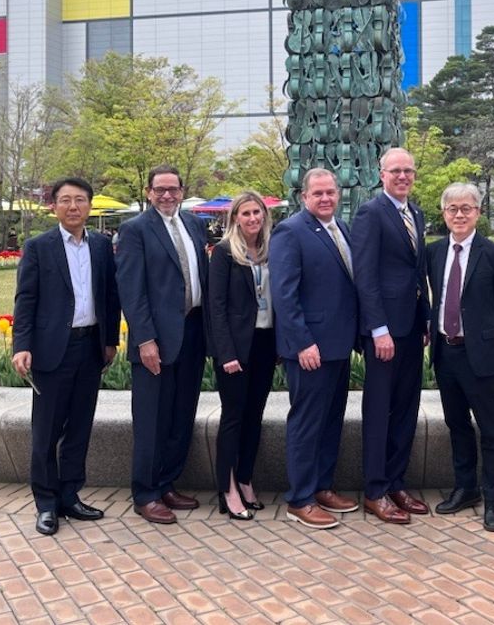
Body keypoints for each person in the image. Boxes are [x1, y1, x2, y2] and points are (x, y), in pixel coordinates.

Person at [11, 176, 120, 536]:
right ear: (54, 206)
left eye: (80, 200)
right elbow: (25, 300)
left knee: (79, 428)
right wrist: (21, 345)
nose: (73, 207)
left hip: (90, 348)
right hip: (51, 350)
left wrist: (110, 341)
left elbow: (109, 297)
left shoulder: (103, 246)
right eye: (66, 201)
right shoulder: (39, 247)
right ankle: (45, 503)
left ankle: (70, 495)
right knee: (46, 432)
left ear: (90, 206)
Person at [116, 165, 209, 525]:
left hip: (192, 335)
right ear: (149, 191)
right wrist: (145, 339)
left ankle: (168, 481)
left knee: (181, 416)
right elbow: (132, 290)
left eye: (173, 189)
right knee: (152, 420)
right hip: (154, 340)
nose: (167, 195)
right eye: (160, 190)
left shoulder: (194, 225)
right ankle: (146, 493)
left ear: (182, 191)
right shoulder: (135, 230)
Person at [269, 168, 359, 529]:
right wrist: (303, 342)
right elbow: (285, 295)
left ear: (338, 194)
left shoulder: (341, 229)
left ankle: (322, 486)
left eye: (330, 192)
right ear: (303, 197)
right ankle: (300, 498)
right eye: (317, 193)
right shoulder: (290, 231)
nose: (325, 198)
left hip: (337, 347)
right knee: (306, 424)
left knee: (330, 422)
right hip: (310, 349)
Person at [427, 183, 494, 531]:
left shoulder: (493, 254)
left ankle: (492, 498)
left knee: (490, 428)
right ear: (444, 213)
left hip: (479, 354)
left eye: (467, 208)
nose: (459, 214)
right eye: (452, 209)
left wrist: (484, 334)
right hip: (445, 354)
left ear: (478, 212)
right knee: (457, 425)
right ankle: (466, 489)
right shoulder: (434, 252)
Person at [350, 147, 431, 524]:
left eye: (408, 171)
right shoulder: (370, 213)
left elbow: (417, 274)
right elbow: (365, 276)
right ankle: (375, 489)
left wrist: (426, 318)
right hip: (385, 332)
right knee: (379, 411)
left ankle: (397, 481)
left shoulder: (415, 212)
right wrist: (378, 329)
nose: (403, 176)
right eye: (395, 170)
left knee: (405, 409)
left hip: (412, 328)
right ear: (381, 174)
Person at [207, 191, 277, 521]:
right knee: (233, 417)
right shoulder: (223, 254)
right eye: (246, 213)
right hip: (235, 349)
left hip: (265, 343)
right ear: (235, 217)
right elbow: (216, 308)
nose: (252, 218)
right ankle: (228, 488)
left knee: (254, 416)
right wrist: (225, 353)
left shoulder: (269, 250)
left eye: (257, 213)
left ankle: (246, 478)